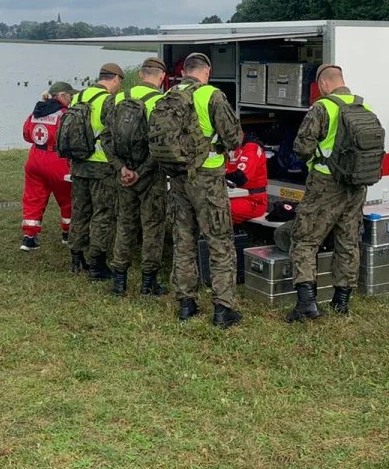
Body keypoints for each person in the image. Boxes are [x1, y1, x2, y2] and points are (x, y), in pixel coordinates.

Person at [285, 64, 374, 322]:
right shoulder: (364, 107)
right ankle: (341, 301)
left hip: (326, 183)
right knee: (348, 240)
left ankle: (306, 303)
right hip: (356, 185)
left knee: (304, 239)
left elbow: (302, 148)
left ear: (323, 84)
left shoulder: (322, 108)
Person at [166, 52, 245, 328]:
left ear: (184, 72)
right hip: (208, 177)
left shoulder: (170, 95)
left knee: (183, 239)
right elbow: (234, 138)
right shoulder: (212, 95)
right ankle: (223, 308)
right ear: (207, 72)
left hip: (178, 176)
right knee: (219, 241)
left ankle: (186, 304)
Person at [104, 56, 168, 297]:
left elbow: (106, 137)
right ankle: (148, 283)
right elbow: (161, 146)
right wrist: (141, 172)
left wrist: (121, 168)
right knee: (153, 226)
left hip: (124, 173)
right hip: (150, 175)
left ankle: (119, 281)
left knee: (125, 223)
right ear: (162, 77)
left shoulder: (118, 98)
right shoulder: (160, 101)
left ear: (141, 74)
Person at [66, 63, 123, 280]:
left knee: (80, 210)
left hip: (78, 163)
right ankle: (97, 263)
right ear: (115, 79)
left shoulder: (78, 97)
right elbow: (114, 134)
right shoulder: (108, 101)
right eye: (119, 82)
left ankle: (76, 257)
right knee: (103, 213)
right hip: (101, 165)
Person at [20, 81, 76, 251]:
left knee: (33, 197)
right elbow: (70, 138)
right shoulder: (64, 114)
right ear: (62, 96)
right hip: (57, 159)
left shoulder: (36, 112)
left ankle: (29, 237)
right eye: (70, 95)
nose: (71, 99)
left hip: (35, 157)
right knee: (68, 197)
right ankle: (68, 233)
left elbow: (26, 134)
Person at [226, 136, 269, 224]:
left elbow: (241, 178)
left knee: (219, 210)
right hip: (231, 196)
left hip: (252, 199)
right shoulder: (227, 146)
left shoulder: (251, 147)